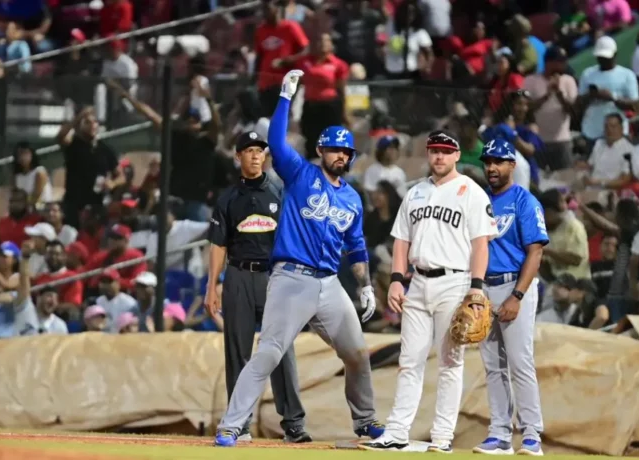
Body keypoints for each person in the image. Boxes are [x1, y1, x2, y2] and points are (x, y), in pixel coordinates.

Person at [213, 69, 384, 447]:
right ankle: (231, 424)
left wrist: (366, 286)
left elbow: (355, 246)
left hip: (329, 283)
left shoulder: (352, 198)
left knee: (357, 354)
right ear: (321, 151)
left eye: (346, 151)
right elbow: (275, 141)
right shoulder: (301, 174)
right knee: (270, 352)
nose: (340, 155)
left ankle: (365, 420)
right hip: (291, 278)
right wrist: (286, 97)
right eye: (334, 149)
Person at [361, 130, 496, 453]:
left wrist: (476, 289)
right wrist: (396, 279)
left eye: (446, 151)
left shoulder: (471, 192)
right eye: (434, 150)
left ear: (457, 155)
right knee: (409, 360)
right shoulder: (416, 192)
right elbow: (401, 240)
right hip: (418, 282)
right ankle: (397, 431)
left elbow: (481, 245)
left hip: (455, 282)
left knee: (450, 362)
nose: (439, 156)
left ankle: (442, 437)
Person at [206, 131, 310, 443]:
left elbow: (295, 235)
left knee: (281, 350)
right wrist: (211, 287)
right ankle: (240, 423)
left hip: (274, 276)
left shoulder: (280, 192)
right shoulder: (227, 199)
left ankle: (293, 423)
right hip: (238, 275)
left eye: (260, 151)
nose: (255, 156)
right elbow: (218, 245)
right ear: (237, 156)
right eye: (249, 150)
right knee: (237, 351)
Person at [471, 139, 548, 456]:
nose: (491, 167)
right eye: (487, 161)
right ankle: (500, 434)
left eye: (498, 161)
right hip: (484, 288)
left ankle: (531, 434)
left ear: (512, 165)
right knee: (493, 365)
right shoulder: (479, 200)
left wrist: (517, 296)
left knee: (519, 362)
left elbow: (535, 252)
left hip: (514, 284)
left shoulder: (524, 201)